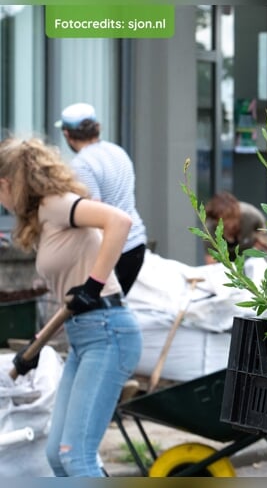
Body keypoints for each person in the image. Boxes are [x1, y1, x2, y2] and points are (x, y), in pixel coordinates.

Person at [0, 136, 142, 477]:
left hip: (108, 332)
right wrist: (37, 345)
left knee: (76, 456)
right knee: (57, 454)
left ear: (6, 183)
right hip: (85, 336)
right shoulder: (45, 218)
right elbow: (71, 297)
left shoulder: (56, 204)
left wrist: (93, 285)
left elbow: (119, 222)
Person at [56, 102, 148, 295]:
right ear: (97, 128)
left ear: (66, 134)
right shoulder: (118, 151)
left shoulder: (81, 165)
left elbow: (94, 213)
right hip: (136, 244)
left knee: (99, 314)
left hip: (113, 251)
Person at [204, 191, 267, 264]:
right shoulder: (210, 228)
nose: (232, 223)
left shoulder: (252, 215)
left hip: (251, 257)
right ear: (216, 220)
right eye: (227, 219)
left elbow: (264, 238)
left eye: (234, 216)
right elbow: (211, 261)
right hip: (225, 265)